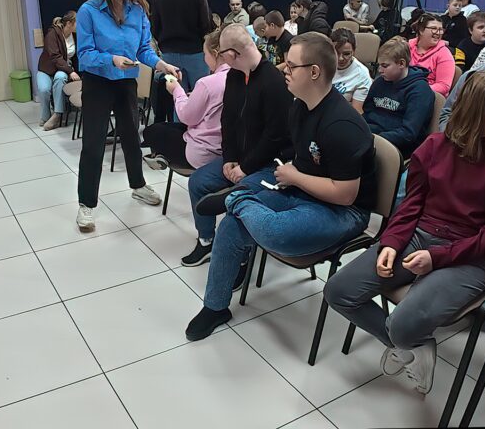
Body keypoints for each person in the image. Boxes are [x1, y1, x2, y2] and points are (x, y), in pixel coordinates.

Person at [325, 70, 485, 395]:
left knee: (403, 325)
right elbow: (411, 204)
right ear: (474, 108)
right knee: (338, 291)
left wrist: (437, 258)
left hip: (475, 254)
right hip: (421, 235)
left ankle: (408, 341)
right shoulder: (435, 145)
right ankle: (413, 348)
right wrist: (392, 242)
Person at [186, 31, 377, 341]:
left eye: (291, 66)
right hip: (304, 190)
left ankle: (236, 199)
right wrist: (289, 178)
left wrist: (295, 177)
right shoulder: (300, 107)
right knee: (231, 227)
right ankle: (215, 306)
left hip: (343, 211)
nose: (283, 71)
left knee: (275, 232)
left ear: (313, 72)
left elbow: (345, 195)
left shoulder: (343, 125)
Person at [75, 0, 182, 231]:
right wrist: (111, 59)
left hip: (125, 82)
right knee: (93, 144)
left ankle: (138, 185)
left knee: (132, 137)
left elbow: (143, 50)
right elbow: (84, 56)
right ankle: (86, 204)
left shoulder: (137, 11)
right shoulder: (89, 11)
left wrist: (161, 64)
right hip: (98, 82)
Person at [182, 24, 292, 266]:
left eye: (222, 53)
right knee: (198, 182)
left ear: (232, 54)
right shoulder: (233, 76)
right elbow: (228, 120)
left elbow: (276, 136)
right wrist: (230, 157)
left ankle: (241, 256)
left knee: (238, 196)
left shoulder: (274, 82)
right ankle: (206, 241)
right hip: (238, 158)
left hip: (267, 164)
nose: (221, 59)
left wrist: (245, 167)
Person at [143, 28, 231, 171]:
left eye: (205, 54)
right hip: (227, 147)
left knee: (152, 132)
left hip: (205, 152)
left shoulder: (208, 83)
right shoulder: (239, 77)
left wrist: (176, 91)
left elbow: (186, 117)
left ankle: (163, 156)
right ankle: (162, 156)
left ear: (215, 54)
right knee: (167, 128)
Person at [149, 0, 214, 94]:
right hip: (196, 54)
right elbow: (206, 25)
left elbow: (154, 28)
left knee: (177, 98)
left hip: (169, 55)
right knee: (202, 97)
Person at [362, 37, 434, 159]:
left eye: (385, 66)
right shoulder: (380, 82)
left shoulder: (420, 91)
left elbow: (408, 134)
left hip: (398, 146)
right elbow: (368, 112)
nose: (380, 70)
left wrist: (374, 139)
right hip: (372, 135)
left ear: (401, 63)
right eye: (379, 65)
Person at [36, 11, 80, 130]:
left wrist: (72, 70)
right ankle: (46, 116)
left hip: (63, 68)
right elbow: (55, 56)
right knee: (44, 89)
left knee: (60, 78)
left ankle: (57, 114)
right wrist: (70, 71)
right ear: (69, 23)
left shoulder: (75, 36)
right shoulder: (53, 33)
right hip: (47, 68)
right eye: (78, 22)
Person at [409, 13, 456, 96]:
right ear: (421, 30)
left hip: (427, 96)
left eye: (440, 29)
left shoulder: (444, 54)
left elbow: (444, 86)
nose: (438, 33)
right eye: (434, 28)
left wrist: (417, 89)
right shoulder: (406, 47)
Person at [331, 28, 373, 113]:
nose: (340, 58)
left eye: (346, 54)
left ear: (354, 51)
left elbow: (356, 112)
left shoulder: (361, 74)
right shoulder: (321, 64)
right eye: (336, 53)